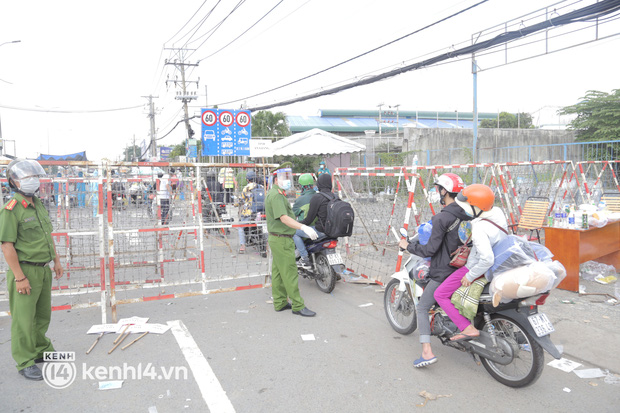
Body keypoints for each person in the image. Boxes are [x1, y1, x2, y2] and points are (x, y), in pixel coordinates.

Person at [397, 173, 471, 368]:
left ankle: (426, 352)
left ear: (444, 191)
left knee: (422, 307)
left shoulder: (443, 217)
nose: (438, 191)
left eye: (439, 188)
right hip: (464, 267)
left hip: (444, 271)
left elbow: (430, 249)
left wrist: (407, 247)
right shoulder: (468, 215)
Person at [0, 159, 64, 381]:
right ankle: (25, 361)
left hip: (43, 269)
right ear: (13, 182)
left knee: (42, 315)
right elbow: (6, 245)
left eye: (33, 177)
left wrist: (56, 261)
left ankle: (41, 350)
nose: (32, 181)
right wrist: (19, 278)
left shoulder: (38, 204)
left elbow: (47, 236)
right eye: (26, 178)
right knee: (24, 319)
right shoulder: (11, 210)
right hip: (25, 271)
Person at [434, 184, 509, 341]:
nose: (465, 209)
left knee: (440, 294)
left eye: (467, 206)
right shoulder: (497, 213)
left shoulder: (480, 228)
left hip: (478, 267)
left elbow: (487, 259)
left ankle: (466, 328)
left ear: (476, 207)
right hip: (499, 264)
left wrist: (470, 275)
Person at [265, 167, 318, 317]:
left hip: (277, 238)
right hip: (281, 240)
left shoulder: (277, 194)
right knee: (290, 273)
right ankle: (298, 305)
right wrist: (303, 227)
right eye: (284, 178)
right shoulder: (276, 195)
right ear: (276, 180)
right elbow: (284, 218)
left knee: (277, 273)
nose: (287, 181)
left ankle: (280, 302)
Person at [295, 173, 332, 268]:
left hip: (320, 230)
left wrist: (298, 225)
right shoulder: (334, 196)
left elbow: (308, 219)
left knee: (294, 232)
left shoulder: (315, 198)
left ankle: (304, 258)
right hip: (333, 231)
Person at [237, 170, 264, 254]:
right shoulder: (261, 187)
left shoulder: (247, 188)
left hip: (249, 212)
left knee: (240, 227)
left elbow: (241, 199)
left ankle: (242, 246)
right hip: (261, 211)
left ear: (247, 179)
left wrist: (236, 204)